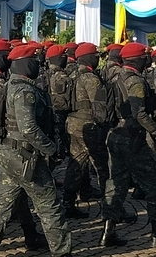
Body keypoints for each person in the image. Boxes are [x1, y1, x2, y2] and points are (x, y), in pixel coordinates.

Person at [0, 43, 71, 257]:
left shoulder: (9, 85)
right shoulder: (25, 92)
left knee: (3, 202)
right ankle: (62, 251)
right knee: (49, 205)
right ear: (26, 64)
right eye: (35, 62)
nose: (38, 65)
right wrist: (51, 149)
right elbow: (29, 129)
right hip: (25, 156)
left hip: (8, 152)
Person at [100, 42, 156, 249]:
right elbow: (139, 113)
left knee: (116, 185)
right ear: (138, 59)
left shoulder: (115, 76)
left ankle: (107, 233)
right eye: (145, 56)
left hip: (115, 135)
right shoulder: (136, 81)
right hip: (133, 138)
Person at [63, 42, 109, 217]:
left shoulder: (70, 73)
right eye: (96, 56)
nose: (98, 59)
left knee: (76, 164)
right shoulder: (91, 78)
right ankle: (112, 206)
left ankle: (68, 202)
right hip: (88, 125)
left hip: (73, 123)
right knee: (103, 166)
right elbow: (99, 107)